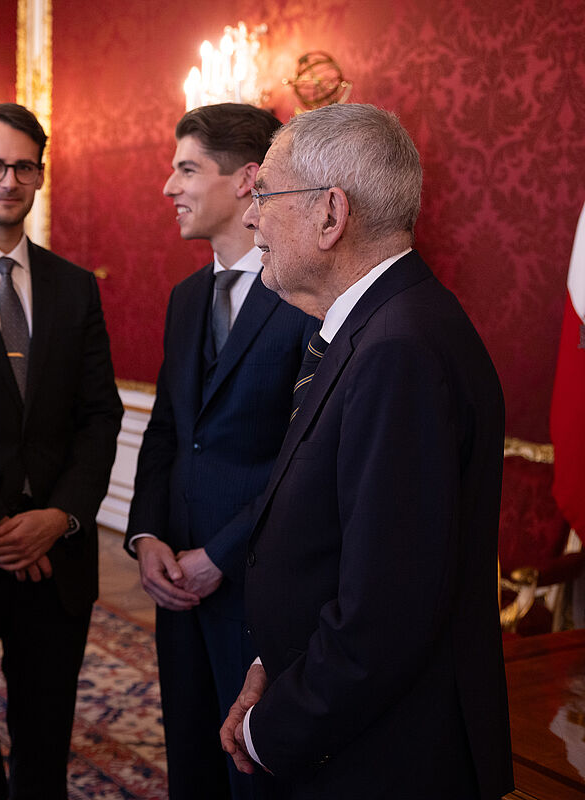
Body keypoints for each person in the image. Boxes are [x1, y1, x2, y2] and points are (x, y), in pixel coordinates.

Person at [219, 103, 513, 798]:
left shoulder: (400, 348)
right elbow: (333, 549)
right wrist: (273, 662)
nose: (251, 217)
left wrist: (272, 730)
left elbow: (387, 611)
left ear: (330, 213)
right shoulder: (377, 328)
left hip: (387, 758)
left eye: (264, 194)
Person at [124, 103, 317, 800]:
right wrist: (146, 536)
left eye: (185, 169)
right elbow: (169, 432)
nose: (168, 188)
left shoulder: (301, 294)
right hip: (174, 580)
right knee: (192, 759)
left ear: (247, 181)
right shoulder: (183, 299)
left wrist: (221, 557)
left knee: (254, 770)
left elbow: (305, 455)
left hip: (258, 585)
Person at [0, 102, 123, 800]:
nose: (7, 180)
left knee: (45, 734)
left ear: (41, 176)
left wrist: (60, 517)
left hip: (57, 557)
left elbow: (99, 416)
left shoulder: (74, 286)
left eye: (24, 166)